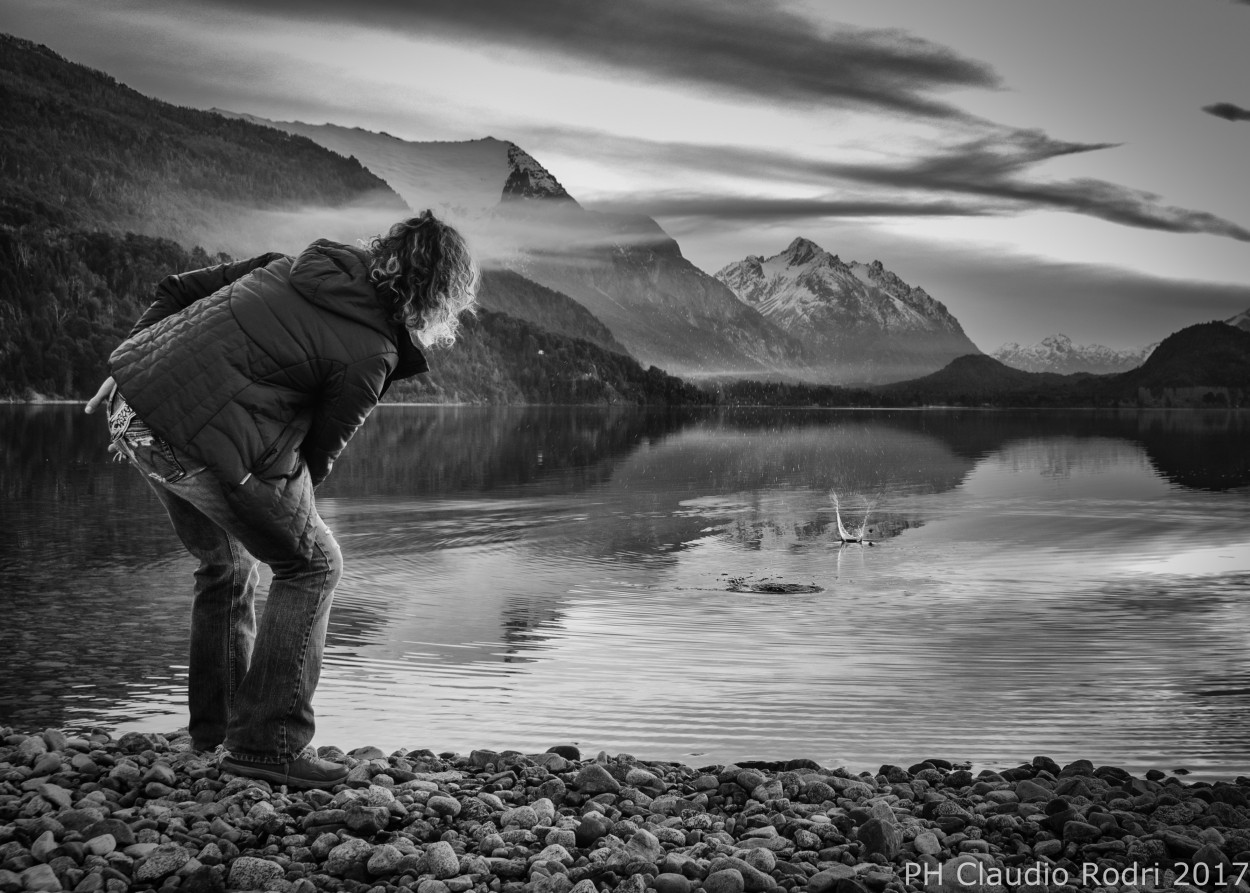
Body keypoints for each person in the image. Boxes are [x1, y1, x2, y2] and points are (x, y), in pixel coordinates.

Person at [84, 212, 478, 789]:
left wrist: (128, 364)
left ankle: (217, 734)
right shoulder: (371, 349)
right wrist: (292, 521)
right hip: (196, 442)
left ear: (385, 251)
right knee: (314, 564)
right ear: (435, 295)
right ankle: (267, 745)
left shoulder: (292, 265)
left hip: (134, 418)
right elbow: (317, 455)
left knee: (227, 561)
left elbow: (174, 290)